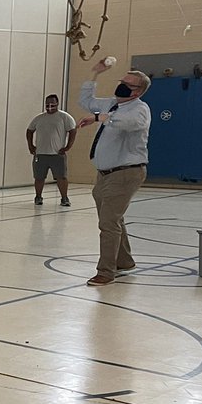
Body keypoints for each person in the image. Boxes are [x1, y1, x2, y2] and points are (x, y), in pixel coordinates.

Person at [76, 60, 152, 287]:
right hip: (105, 174)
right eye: (122, 82)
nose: (121, 86)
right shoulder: (112, 104)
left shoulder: (140, 109)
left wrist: (102, 118)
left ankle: (105, 271)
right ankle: (125, 260)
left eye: (127, 84)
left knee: (108, 223)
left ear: (137, 91)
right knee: (112, 218)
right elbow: (86, 102)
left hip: (125, 173)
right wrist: (95, 74)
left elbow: (129, 124)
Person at [26, 94, 76, 206]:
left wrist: (68, 146)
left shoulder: (64, 117)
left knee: (61, 177)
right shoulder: (39, 118)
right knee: (39, 177)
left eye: (52, 105)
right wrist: (31, 145)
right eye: (47, 105)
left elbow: (73, 130)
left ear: (57, 104)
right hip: (40, 153)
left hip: (57, 154)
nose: (49, 107)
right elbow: (29, 130)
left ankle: (64, 198)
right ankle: (38, 197)